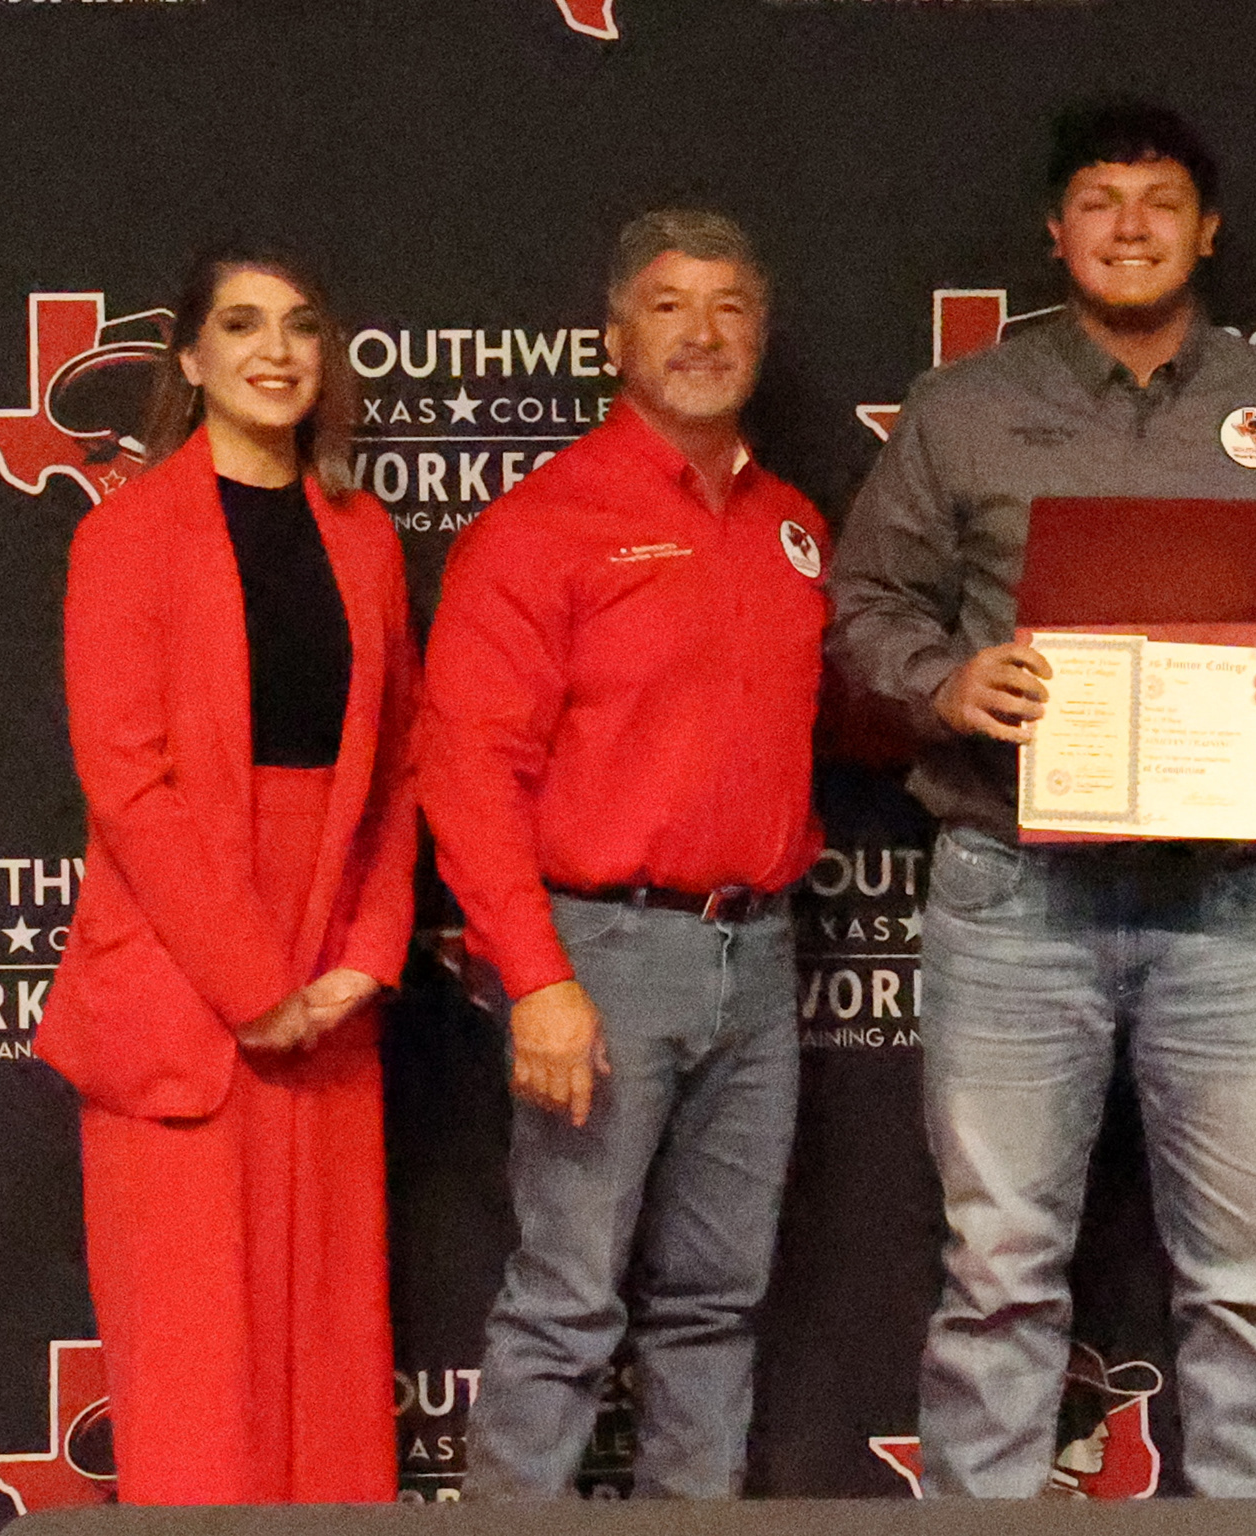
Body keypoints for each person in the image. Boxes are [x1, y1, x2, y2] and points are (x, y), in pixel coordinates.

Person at [828, 99, 1256, 1497]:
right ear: (1057, 231)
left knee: (1246, 1279)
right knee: (999, 1278)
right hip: (1014, 895)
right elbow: (863, 607)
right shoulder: (964, 411)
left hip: (1233, 902)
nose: (1132, 228)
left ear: (1208, 232)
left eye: (1161, 203)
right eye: (1101, 201)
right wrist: (950, 682)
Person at [420, 210, 827, 1499]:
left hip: (756, 951)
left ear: (762, 334)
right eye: (669, 305)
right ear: (614, 338)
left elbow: (845, 715)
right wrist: (537, 976)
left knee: (717, 1301)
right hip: (600, 952)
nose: (703, 333)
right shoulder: (543, 524)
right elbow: (468, 768)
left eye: (730, 306)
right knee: (567, 1300)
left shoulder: (794, 525)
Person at [37, 245, 420, 1504]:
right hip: (183, 990)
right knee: (198, 1380)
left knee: (332, 1378)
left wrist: (366, 955)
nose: (277, 350)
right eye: (244, 325)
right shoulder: (126, 537)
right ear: (192, 361)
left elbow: (399, 766)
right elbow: (129, 786)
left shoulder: (365, 540)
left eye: (301, 326)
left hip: (329, 1000)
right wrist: (256, 987)